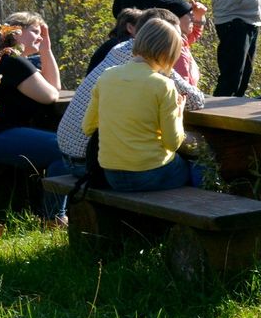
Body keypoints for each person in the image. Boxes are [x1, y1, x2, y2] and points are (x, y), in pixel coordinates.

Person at [59, 8, 204, 171]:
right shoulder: (150, 65)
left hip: (68, 155)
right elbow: (195, 100)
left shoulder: (120, 49)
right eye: (174, 38)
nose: (180, 43)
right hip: (90, 162)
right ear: (162, 41)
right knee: (196, 159)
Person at [82, 18, 200, 191]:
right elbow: (172, 143)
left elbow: (87, 127)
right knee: (198, 163)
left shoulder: (107, 76)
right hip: (151, 172)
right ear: (168, 53)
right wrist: (179, 114)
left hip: (112, 175)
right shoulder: (163, 85)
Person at [0, 14, 70, 222]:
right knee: (64, 150)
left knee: (60, 147)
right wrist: (45, 51)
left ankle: (49, 214)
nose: (40, 37)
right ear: (16, 32)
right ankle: (54, 218)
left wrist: (46, 49)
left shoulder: (6, 58)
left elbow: (54, 86)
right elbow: (50, 95)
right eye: (35, 31)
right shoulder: (12, 61)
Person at [89, 9, 145, 75]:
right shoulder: (123, 47)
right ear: (130, 28)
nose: (146, 31)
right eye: (143, 27)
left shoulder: (111, 44)